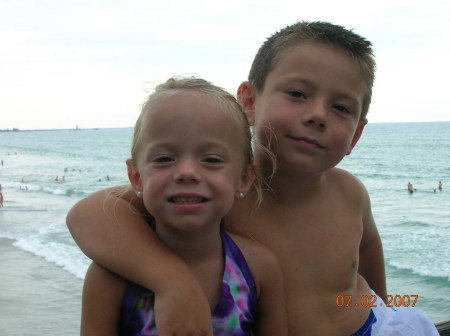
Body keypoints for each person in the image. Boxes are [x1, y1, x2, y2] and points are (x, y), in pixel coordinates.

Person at [67, 22, 438, 335]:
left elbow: (368, 247)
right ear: (249, 102)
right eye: (297, 93)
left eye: (341, 108)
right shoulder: (221, 191)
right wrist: (172, 281)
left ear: (356, 135)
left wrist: (386, 309)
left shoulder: (350, 191)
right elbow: (88, 214)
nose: (318, 115)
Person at [79, 77, 286, 335]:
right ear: (137, 177)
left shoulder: (259, 269)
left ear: (244, 178)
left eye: (211, 159)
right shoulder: (110, 277)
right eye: (164, 158)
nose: (186, 172)